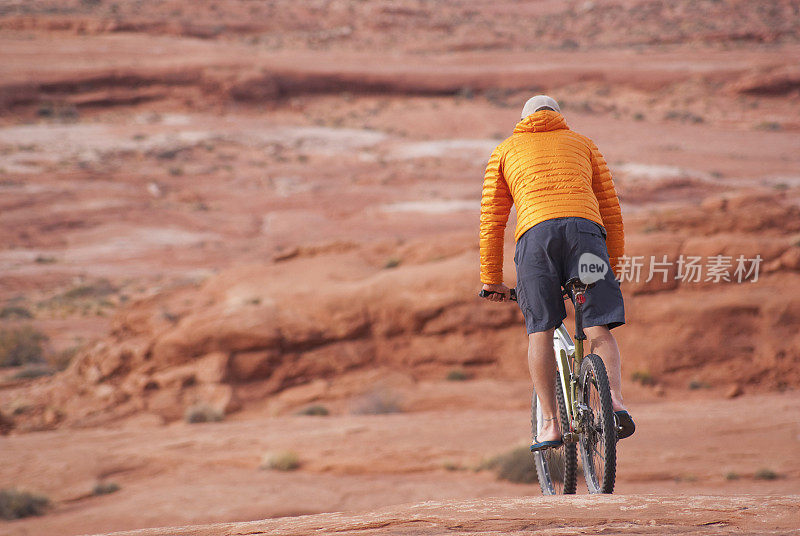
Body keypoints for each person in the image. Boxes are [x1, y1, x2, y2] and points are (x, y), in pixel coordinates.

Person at [478, 95, 635, 450]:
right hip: (586, 234)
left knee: (541, 329)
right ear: (559, 117)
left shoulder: (505, 151)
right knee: (597, 325)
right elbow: (611, 211)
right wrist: (615, 267)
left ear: (524, 119)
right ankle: (613, 399)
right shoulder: (583, 143)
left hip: (536, 240)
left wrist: (491, 279)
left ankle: (549, 424)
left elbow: (493, 220)